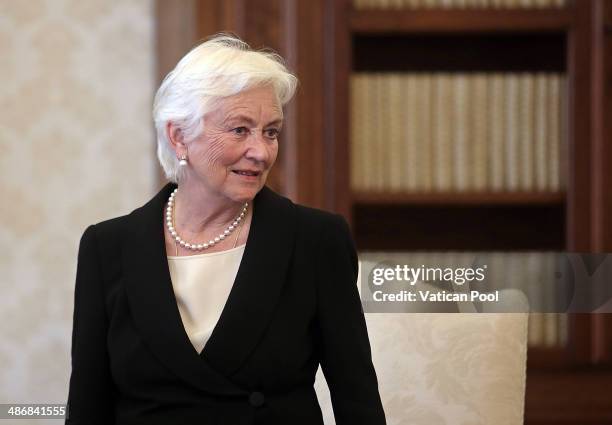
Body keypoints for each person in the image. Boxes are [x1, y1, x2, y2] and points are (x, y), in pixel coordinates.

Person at [65, 33, 386, 425]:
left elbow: (358, 403)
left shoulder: (316, 240)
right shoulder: (107, 247)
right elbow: (87, 406)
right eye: (240, 130)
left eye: (271, 132)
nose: (262, 151)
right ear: (179, 136)